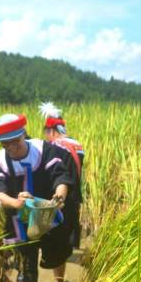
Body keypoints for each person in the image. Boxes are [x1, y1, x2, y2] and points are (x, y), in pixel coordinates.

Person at [0, 113, 74, 282]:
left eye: (15, 142)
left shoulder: (44, 150)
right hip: (19, 222)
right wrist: (16, 202)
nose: (11, 147)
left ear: (23, 134)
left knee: (57, 255)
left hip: (47, 214)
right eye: (5, 144)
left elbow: (60, 176)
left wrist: (59, 196)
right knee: (25, 269)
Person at [39, 102, 85, 248]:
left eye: (46, 133)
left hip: (60, 195)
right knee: (71, 229)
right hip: (75, 195)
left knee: (58, 235)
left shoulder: (55, 146)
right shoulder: (78, 145)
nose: (46, 137)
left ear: (51, 131)